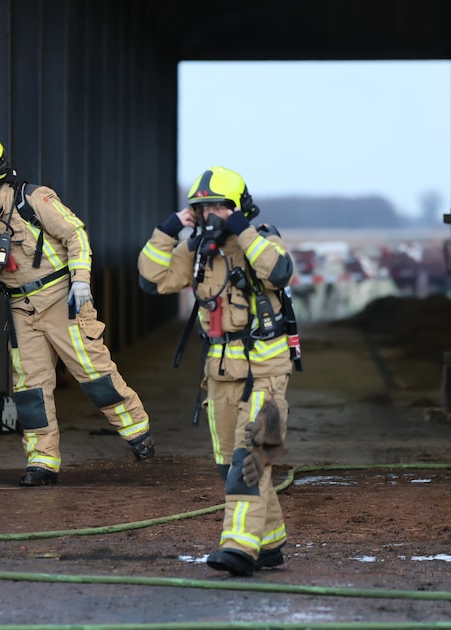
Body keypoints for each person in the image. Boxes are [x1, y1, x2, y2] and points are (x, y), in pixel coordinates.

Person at [0, 134, 156, 486]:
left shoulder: (33, 199)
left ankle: (138, 432)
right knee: (30, 389)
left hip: (62, 299)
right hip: (21, 308)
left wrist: (81, 282)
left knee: (94, 373)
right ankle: (42, 462)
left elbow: (76, 234)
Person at [137, 166, 296, 577]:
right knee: (230, 465)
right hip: (221, 375)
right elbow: (151, 280)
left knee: (250, 461)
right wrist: (169, 229)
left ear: (238, 208)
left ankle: (239, 548)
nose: (209, 215)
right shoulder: (197, 252)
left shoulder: (260, 239)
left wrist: (241, 229)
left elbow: (280, 272)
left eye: (217, 207)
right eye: (201, 208)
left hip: (265, 374)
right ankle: (270, 542)